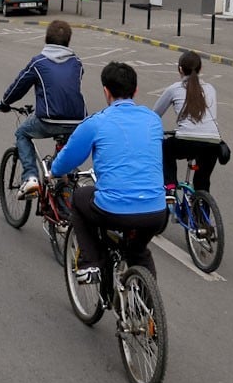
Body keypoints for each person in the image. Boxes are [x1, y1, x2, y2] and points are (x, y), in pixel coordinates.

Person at [49, 62, 169, 282]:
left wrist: (53, 171)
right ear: (135, 91)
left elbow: (66, 161)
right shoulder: (153, 120)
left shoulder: (96, 123)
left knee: (80, 197)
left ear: (106, 91)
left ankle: (90, 263)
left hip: (114, 209)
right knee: (138, 251)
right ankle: (149, 313)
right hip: (157, 211)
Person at [0, 20, 87, 196]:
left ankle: (30, 178)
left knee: (22, 133)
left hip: (49, 119)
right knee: (65, 152)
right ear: (68, 41)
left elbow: (19, 86)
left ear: (46, 39)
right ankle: (64, 185)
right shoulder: (77, 63)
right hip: (77, 121)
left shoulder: (39, 63)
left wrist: (5, 103)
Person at [152, 51, 221, 196]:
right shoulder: (210, 89)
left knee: (166, 148)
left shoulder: (174, 89)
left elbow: (155, 115)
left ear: (180, 69)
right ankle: (202, 214)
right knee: (202, 184)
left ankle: (170, 186)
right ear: (201, 69)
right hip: (213, 142)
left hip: (185, 141)